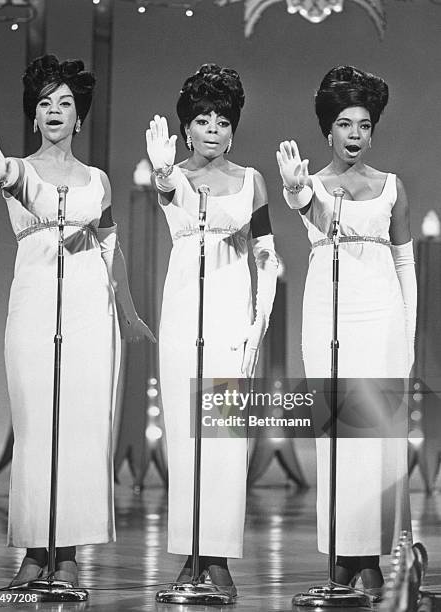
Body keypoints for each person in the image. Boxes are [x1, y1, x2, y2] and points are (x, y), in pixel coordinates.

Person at [0, 54, 154, 587]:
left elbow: (111, 243)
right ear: (34, 117)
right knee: (35, 429)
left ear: (80, 118)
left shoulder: (97, 179)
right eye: (45, 103)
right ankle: (34, 552)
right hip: (32, 305)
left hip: (89, 310)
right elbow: (15, 184)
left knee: (80, 430)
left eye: (66, 104)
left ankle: (69, 554)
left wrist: (127, 312)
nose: (55, 111)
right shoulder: (18, 169)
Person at [276, 65, 415, 599]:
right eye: (344, 124)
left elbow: (405, 265)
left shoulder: (391, 188)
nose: (354, 135)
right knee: (338, 435)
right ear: (327, 130)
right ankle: (340, 556)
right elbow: (303, 207)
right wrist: (295, 189)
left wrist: (406, 335)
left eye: (363, 125)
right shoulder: (312, 186)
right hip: (327, 319)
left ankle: (372, 557)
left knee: (376, 440)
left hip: (380, 318)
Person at [146, 64, 278, 597]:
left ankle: (217, 558)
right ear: (187, 127)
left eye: (223, 121)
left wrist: (259, 321)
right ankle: (188, 556)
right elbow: (165, 192)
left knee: (224, 440)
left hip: (230, 321)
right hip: (180, 317)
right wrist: (160, 172)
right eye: (203, 120)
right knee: (183, 436)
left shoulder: (252, 181)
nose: (215, 130)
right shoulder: (171, 176)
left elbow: (267, 256)